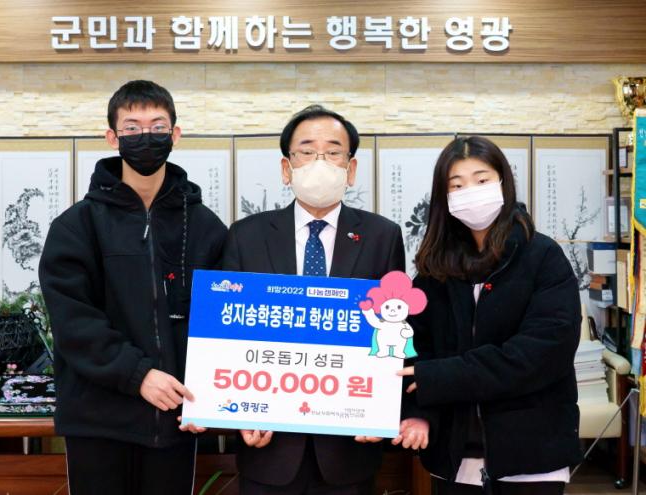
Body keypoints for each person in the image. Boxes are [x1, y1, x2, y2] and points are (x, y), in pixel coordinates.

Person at [39, 80, 227, 495]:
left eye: (158, 127)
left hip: (176, 416)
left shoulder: (205, 226)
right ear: (112, 137)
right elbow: (74, 323)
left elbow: (220, 320)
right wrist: (138, 375)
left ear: (175, 134)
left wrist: (211, 393)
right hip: (97, 420)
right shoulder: (76, 226)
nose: (146, 137)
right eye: (132, 128)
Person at [222, 104, 405, 494]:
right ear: (286, 168)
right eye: (306, 151)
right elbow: (228, 335)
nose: (320, 161)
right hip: (267, 446)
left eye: (333, 151)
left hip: (349, 449)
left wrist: (381, 409)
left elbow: (395, 330)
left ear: (350, 169)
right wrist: (238, 411)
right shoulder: (246, 235)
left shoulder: (382, 237)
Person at [396, 136, 582, 495]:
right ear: (444, 196)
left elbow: (541, 354)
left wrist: (443, 376)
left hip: (531, 455)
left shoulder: (542, 257)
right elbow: (413, 349)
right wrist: (418, 412)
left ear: (503, 182)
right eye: (457, 185)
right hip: (453, 457)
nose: (470, 191)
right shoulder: (436, 268)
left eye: (481, 180)